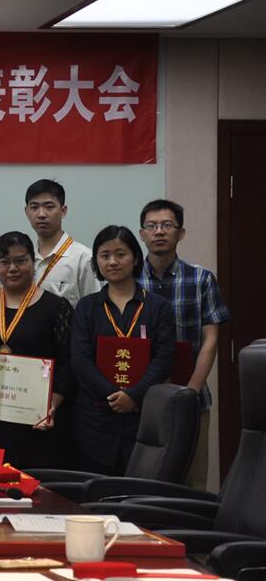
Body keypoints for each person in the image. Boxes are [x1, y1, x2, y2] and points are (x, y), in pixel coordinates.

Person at [0, 232, 73, 469]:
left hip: (34, 424)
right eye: (4, 262)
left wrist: (52, 405)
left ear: (33, 262)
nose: (12, 268)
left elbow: (69, 363)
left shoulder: (57, 307)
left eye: (21, 261)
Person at [137, 199, 231, 489]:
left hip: (191, 395)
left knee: (192, 484)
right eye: (152, 226)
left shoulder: (201, 278)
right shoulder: (130, 280)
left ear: (181, 233)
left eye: (167, 225)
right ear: (142, 234)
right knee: (143, 482)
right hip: (141, 399)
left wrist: (191, 391)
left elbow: (211, 339)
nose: (159, 232)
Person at [71, 225, 175, 475]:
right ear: (96, 261)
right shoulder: (87, 307)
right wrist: (114, 395)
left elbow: (163, 358)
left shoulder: (158, 307)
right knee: (95, 490)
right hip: (95, 419)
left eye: (120, 254)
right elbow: (80, 360)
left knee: (139, 488)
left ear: (135, 258)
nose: (112, 262)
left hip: (143, 417)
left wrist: (133, 396)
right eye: (105, 255)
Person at [24, 179, 99, 306]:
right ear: (26, 212)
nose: (41, 214)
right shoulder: (24, 258)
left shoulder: (84, 258)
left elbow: (93, 309)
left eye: (49, 207)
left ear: (63, 211)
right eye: (34, 207)